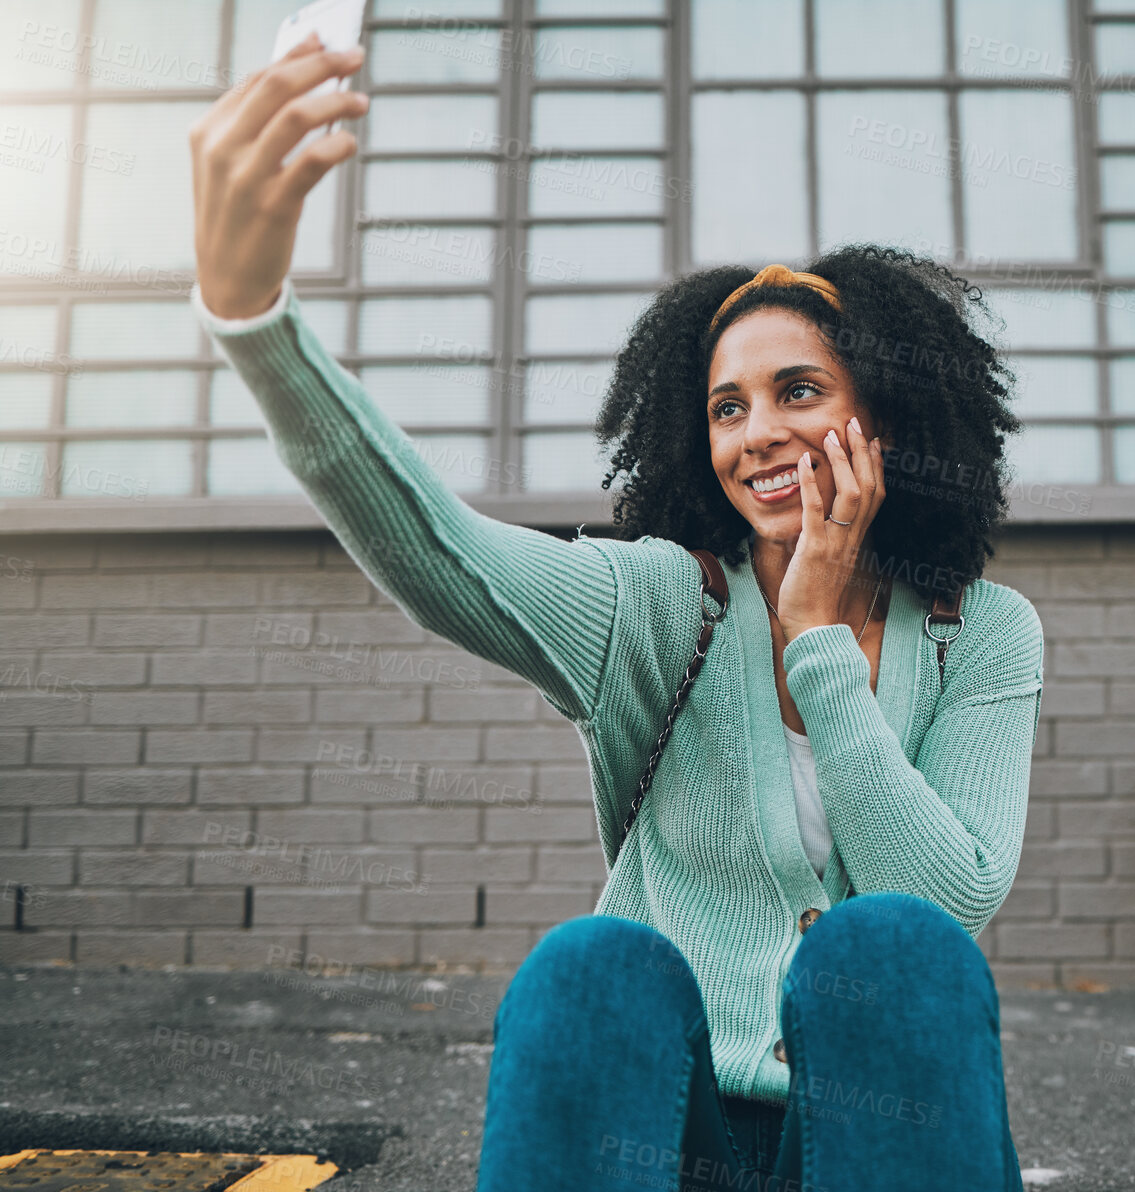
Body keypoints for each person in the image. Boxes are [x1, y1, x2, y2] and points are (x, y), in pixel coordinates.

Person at [188, 33, 1045, 1192]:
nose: (758, 433)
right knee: (592, 964)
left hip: (867, 1147)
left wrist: (823, 643)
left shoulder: (979, 631)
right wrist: (255, 317)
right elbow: (440, 549)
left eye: (800, 391)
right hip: (668, 1136)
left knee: (888, 947)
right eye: (727, 407)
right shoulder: (658, 602)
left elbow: (947, 904)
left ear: (887, 421)